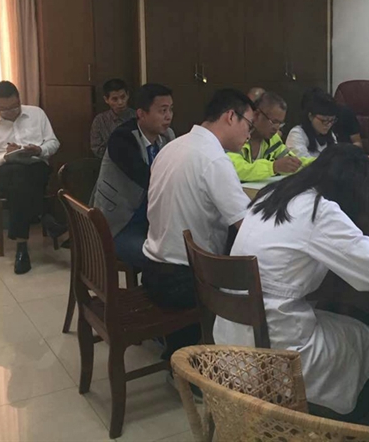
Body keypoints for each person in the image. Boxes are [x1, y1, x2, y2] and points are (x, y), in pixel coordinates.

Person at [214, 144, 369, 427]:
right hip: (275, 352)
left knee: (359, 322)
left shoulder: (274, 195)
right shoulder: (320, 211)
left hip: (232, 339)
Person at [142, 89, 254, 353]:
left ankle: (178, 347)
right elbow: (248, 227)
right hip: (183, 282)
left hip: (151, 268)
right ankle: (221, 356)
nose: (250, 134)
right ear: (230, 117)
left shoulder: (172, 147)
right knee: (260, 276)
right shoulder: (214, 159)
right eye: (249, 125)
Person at [0, 81, 60, 274]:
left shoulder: (36, 113)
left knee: (23, 180)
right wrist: (4, 156)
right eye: (4, 109)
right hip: (5, 171)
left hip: (36, 166)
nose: (11, 112)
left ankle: (22, 248)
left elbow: (53, 142)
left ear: (19, 99)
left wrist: (39, 150)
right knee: (17, 175)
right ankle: (44, 215)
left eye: (14, 106)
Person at [92, 84, 175, 269]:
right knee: (160, 261)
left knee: (188, 250)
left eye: (171, 109)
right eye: (163, 110)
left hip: (152, 221)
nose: (169, 116)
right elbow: (149, 179)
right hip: (120, 224)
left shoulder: (168, 136)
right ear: (141, 114)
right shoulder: (122, 138)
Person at [228, 91, 314, 182]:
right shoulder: (237, 136)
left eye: (280, 123)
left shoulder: (273, 140)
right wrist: (273, 167)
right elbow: (236, 169)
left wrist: (318, 162)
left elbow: (293, 161)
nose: (276, 128)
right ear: (256, 115)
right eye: (273, 122)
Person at [90, 79, 136, 159]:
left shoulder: (137, 117)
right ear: (106, 100)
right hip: (109, 161)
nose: (120, 102)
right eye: (115, 99)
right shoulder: (100, 120)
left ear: (128, 95)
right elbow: (96, 148)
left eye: (123, 97)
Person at [286, 89, 339, 159]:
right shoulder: (297, 134)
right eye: (324, 120)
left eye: (332, 120)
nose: (329, 125)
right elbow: (303, 162)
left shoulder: (330, 135)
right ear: (310, 116)